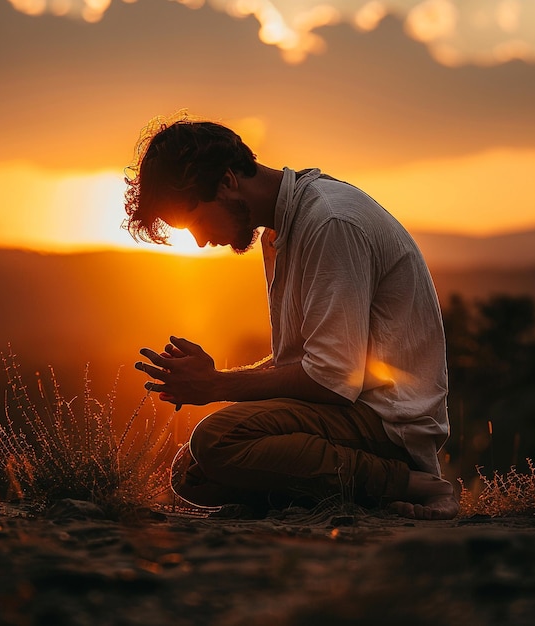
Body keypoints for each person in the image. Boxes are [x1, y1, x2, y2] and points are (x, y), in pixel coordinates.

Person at [124, 112, 459, 520]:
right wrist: (214, 380)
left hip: (387, 422)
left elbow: (333, 379)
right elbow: (306, 360)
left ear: (227, 181)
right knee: (191, 474)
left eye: (195, 221)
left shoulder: (330, 222)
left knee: (215, 441)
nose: (199, 241)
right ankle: (343, 495)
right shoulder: (283, 230)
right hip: (348, 412)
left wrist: (216, 384)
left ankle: (413, 484)